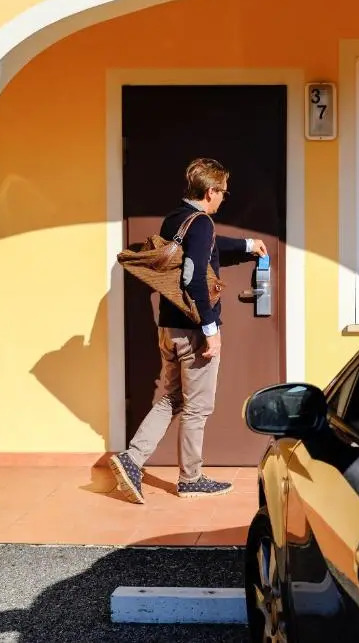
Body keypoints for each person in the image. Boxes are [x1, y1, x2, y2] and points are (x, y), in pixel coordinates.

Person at [110, 158, 267, 503]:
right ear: (211, 191)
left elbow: (205, 246)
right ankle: (191, 479)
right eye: (223, 192)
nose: (224, 198)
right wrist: (210, 330)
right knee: (198, 407)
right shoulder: (202, 223)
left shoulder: (175, 219)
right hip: (193, 331)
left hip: (169, 328)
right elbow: (193, 279)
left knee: (173, 397)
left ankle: (132, 459)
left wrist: (246, 245)